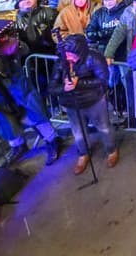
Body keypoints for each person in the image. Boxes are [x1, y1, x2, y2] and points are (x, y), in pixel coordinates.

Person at [49, 34, 118, 174]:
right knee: (78, 132)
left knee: (104, 127)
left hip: (94, 101)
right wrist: (64, 88)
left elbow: (103, 80)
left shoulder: (94, 58)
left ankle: (111, 150)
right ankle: (83, 153)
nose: (69, 58)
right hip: (72, 103)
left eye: (72, 54)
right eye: (66, 54)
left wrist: (79, 83)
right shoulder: (61, 62)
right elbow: (51, 86)